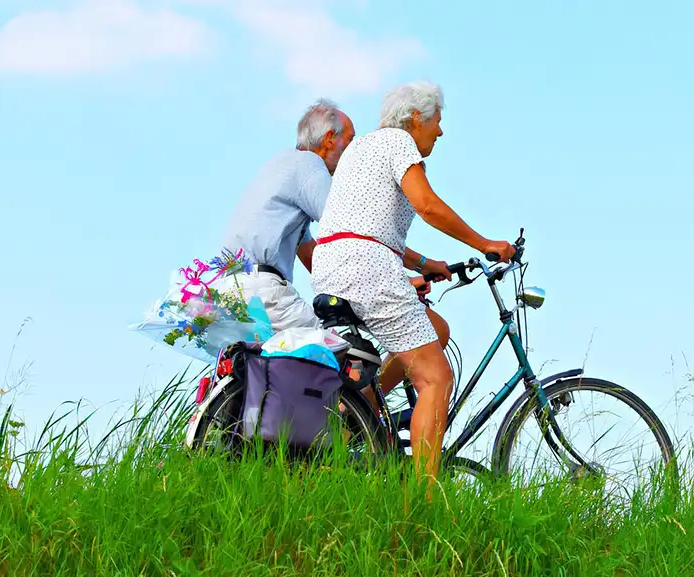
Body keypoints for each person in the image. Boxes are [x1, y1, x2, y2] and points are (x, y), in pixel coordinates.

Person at [310, 81, 516, 480]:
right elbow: (427, 205)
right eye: (438, 121)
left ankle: (361, 411)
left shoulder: (362, 149)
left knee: (435, 329)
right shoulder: (398, 142)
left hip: (335, 264)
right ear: (416, 118)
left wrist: (424, 263)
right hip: (366, 267)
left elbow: (364, 225)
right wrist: (485, 243)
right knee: (436, 378)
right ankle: (422, 500)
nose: (440, 131)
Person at [215, 98, 355, 333]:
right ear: (330, 138)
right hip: (263, 290)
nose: (354, 152)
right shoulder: (310, 164)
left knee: (267, 365)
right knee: (335, 352)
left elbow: (311, 254)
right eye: (351, 141)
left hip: (229, 290)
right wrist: (390, 284)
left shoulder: (280, 164)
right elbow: (349, 228)